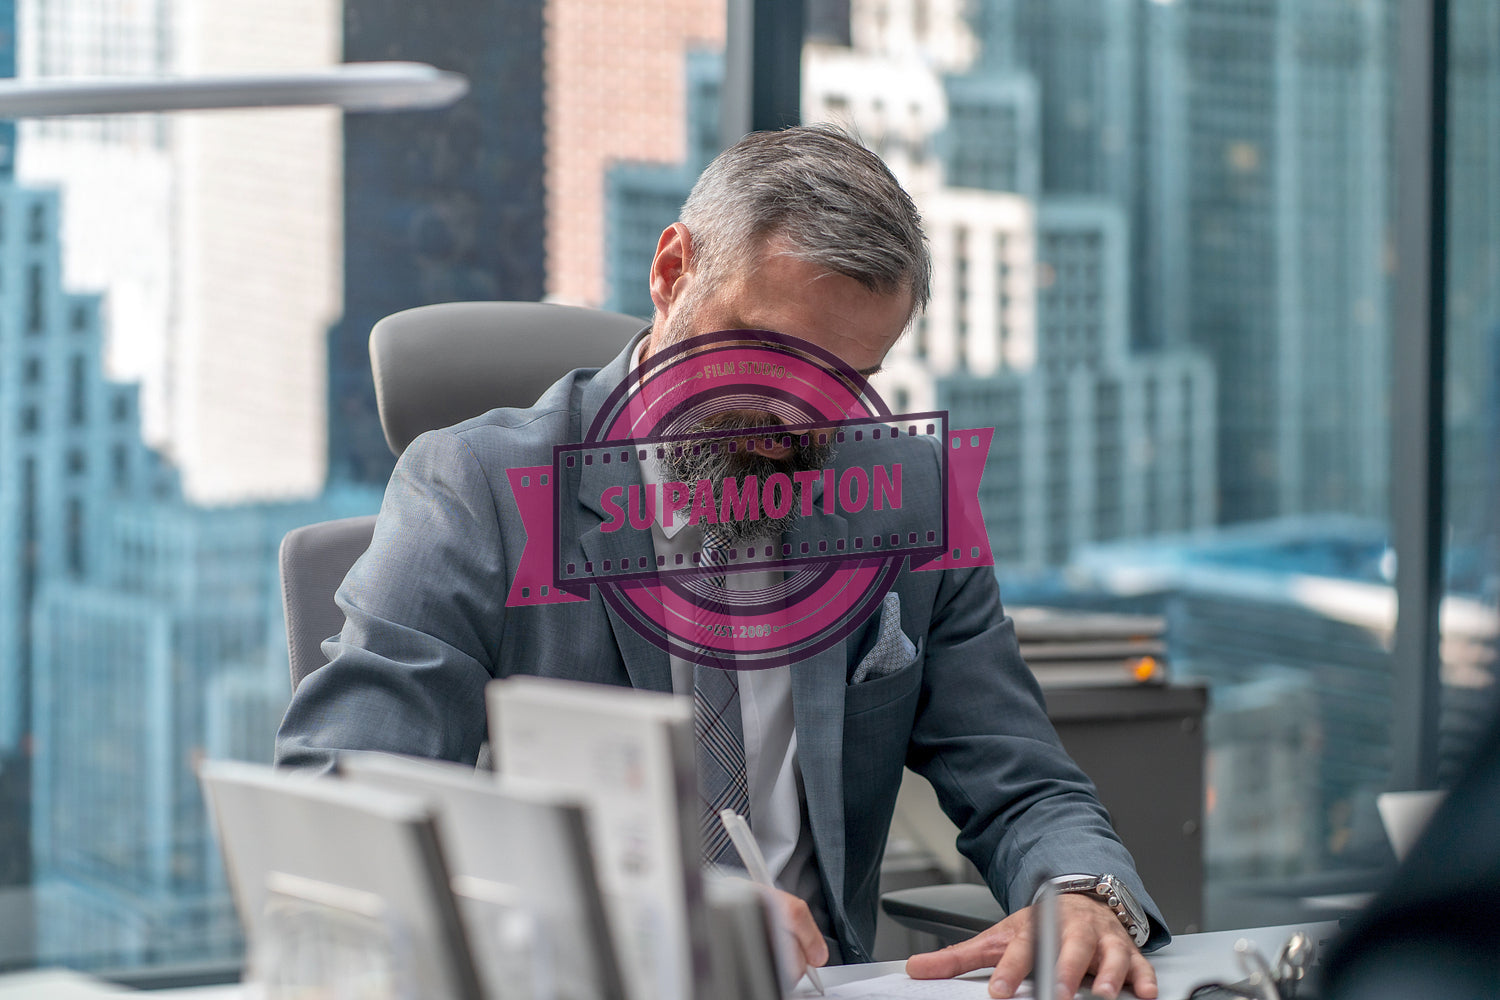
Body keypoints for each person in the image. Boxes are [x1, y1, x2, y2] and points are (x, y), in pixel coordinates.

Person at [276, 124, 1167, 1000]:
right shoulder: (476, 488)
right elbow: (344, 799)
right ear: (672, 274)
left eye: (844, 380)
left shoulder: (905, 495)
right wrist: (652, 910)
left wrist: (1085, 892)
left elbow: (1022, 780)